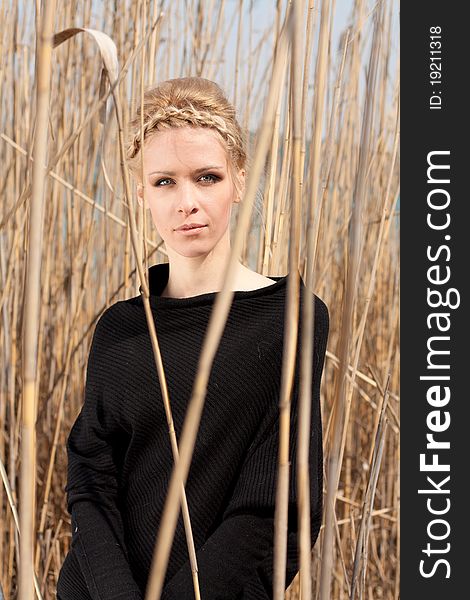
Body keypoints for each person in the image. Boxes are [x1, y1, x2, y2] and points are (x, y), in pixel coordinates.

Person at [56, 77, 329, 599]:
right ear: (140, 192)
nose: (188, 202)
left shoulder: (290, 319)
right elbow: (91, 480)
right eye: (164, 182)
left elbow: (277, 503)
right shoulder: (121, 328)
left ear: (240, 180)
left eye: (207, 177)